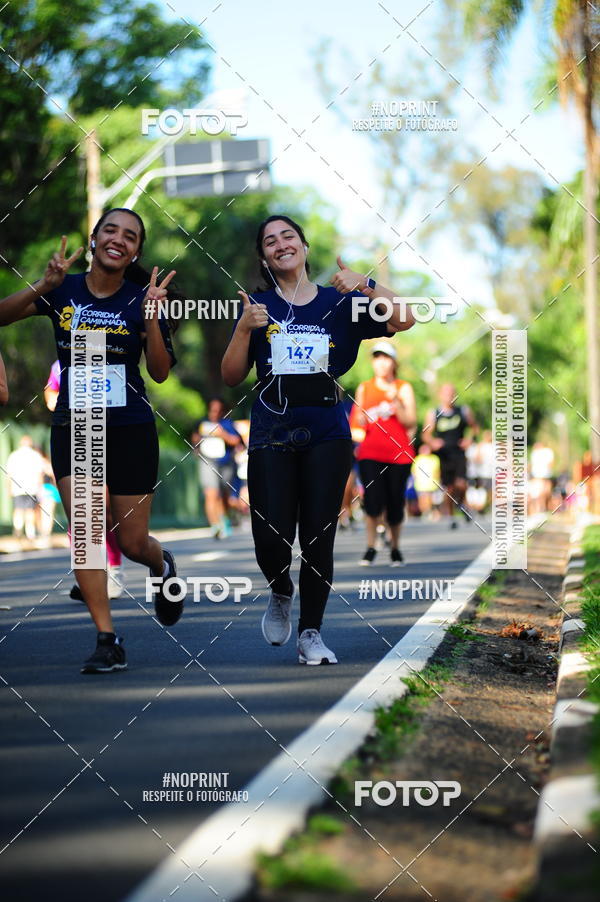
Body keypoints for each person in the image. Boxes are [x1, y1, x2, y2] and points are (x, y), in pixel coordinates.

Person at [222, 214, 415, 665]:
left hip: (327, 433)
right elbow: (231, 377)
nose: (280, 244)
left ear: (304, 247)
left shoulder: (341, 301)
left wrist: (365, 284)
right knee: (269, 538)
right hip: (271, 431)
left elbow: (405, 319)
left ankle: (311, 632)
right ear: (265, 257)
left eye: (288, 236)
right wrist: (244, 327)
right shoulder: (257, 306)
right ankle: (280, 588)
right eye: (270, 240)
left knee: (317, 537)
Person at [0, 208, 181, 674]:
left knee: (134, 541)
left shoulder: (143, 298)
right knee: (86, 530)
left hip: (130, 427)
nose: (119, 239)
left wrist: (153, 320)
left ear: (136, 250)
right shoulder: (64, 289)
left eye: (131, 236)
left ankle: (162, 567)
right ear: (95, 238)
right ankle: (106, 637)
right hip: (76, 424)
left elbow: (160, 373)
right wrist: (43, 284)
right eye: (111, 231)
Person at [44, 359, 126, 600]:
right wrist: (53, 399)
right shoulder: (61, 362)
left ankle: (115, 567)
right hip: (74, 434)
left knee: (106, 509)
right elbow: (51, 389)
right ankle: (89, 572)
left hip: (112, 433)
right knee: (79, 508)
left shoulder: (114, 351)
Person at [350, 341, 417, 566]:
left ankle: (395, 547)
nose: (381, 362)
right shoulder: (364, 387)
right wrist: (360, 422)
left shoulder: (403, 387)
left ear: (393, 362)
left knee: (395, 501)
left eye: (386, 358)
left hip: (398, 453)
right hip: (370, 452)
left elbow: (410, 422)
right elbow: (357, 423)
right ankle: (371, 546)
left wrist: (397, 401)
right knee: (372, 500)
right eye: (377, 358)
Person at [423, 384, 477, 528]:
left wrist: (469, 439)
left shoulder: (463, 411)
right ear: (440, 395)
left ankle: (462, 504)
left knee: (462, 484)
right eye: (446, 394)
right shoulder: (434, 413)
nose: (449, 397)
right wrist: (432, 442)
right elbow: (426, 434)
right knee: (449, 488)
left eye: (452, 394)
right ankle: (451, 516)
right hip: (444, 455)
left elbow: (474, 427)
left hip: (459, 453)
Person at [192, 397, 242, 538]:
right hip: (207, 461)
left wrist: (222, 434)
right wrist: (198, 440)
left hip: (225, 463)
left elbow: (236, 441)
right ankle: (215, 526)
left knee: (224, 494)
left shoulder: (227, 424)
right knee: (211, 493)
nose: (214, 413)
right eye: (212, 410)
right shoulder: (202, 423)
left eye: (218, 410)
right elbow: (194, 439)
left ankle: (224, 519)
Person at [5, 435, 46, 540]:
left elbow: (9, 474)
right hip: (31, 488)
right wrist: (40, 488)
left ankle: (18, 531)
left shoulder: (13, 455)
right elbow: (40, 474)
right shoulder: (35, 455)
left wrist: (9, 488)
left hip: (17, 488)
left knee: (18, 510)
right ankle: (30, 533)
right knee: (30, 511)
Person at [411, 443, 442, 519]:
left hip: (431, 483)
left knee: (430, 498)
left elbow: (437, 471)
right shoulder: (417, 459)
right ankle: (426, 512)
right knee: (422, 499)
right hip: (420, 483)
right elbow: (414, 471)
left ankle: (430, 512)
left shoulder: (435, 458)